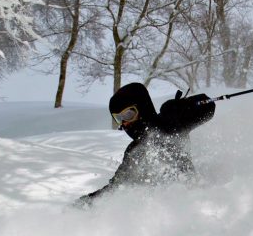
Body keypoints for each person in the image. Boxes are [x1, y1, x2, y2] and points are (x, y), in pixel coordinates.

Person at [76, 82, 215, 207]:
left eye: (129, 114)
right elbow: (117, 187)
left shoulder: (170, 123)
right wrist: (88, 202)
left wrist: (183, 106)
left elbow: (208, 106)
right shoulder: (133, 150)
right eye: (119, 119)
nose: (126, 123)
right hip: (158, 213)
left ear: (142, 108)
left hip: (192, 201)